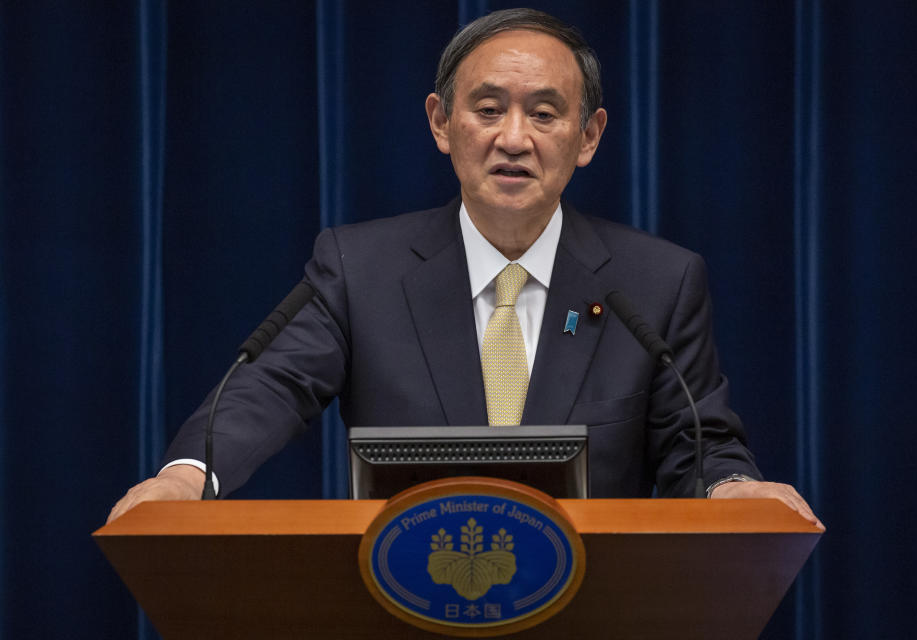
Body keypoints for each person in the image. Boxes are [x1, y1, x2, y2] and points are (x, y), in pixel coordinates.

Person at [109, 8, 822, 529]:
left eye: (545, 114)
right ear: (441, 123)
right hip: (400, 604)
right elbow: (272, 384)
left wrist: (730, 487)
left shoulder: (656, 283)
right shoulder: (362, 269)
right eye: (488, 109)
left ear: (589, 136)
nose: (514, 138)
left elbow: (697, 440)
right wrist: (186, 478)